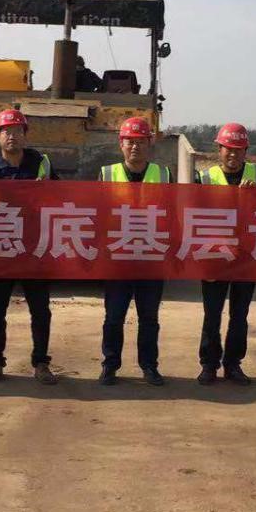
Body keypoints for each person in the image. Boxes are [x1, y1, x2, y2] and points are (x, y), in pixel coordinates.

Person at [0, 108, 59, 385]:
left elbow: (63, 200)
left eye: (17, 131)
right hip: (0, 248)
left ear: (25, 135)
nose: (11, 136)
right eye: (6, 131)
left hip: (35, 249)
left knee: (40, 310)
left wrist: (45, 192)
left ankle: (41, 363)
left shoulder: (42, 166)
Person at [194, 122, 256, 385]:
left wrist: (255, 197)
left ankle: (233, 364)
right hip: (214, 257)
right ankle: (209, 365)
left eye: (238, 149)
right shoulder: (204, 178)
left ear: (246, 150)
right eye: (228, 148)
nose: (233, 154)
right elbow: (193, 216)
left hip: (246, 258)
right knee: (212, 315)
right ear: (219, 149)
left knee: (240, 315)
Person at [98, 116, 170, 386]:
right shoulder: (107, 174)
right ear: (121, 144)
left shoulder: (163, 175)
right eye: (130, 141)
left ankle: (149, 366)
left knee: (149, 318)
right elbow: (97, 214)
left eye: (141, 141)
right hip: (118, 259)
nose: (135, 147)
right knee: (114, 318)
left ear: (149, 144)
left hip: (151, 258)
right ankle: (110, 365)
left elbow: (173, 214)